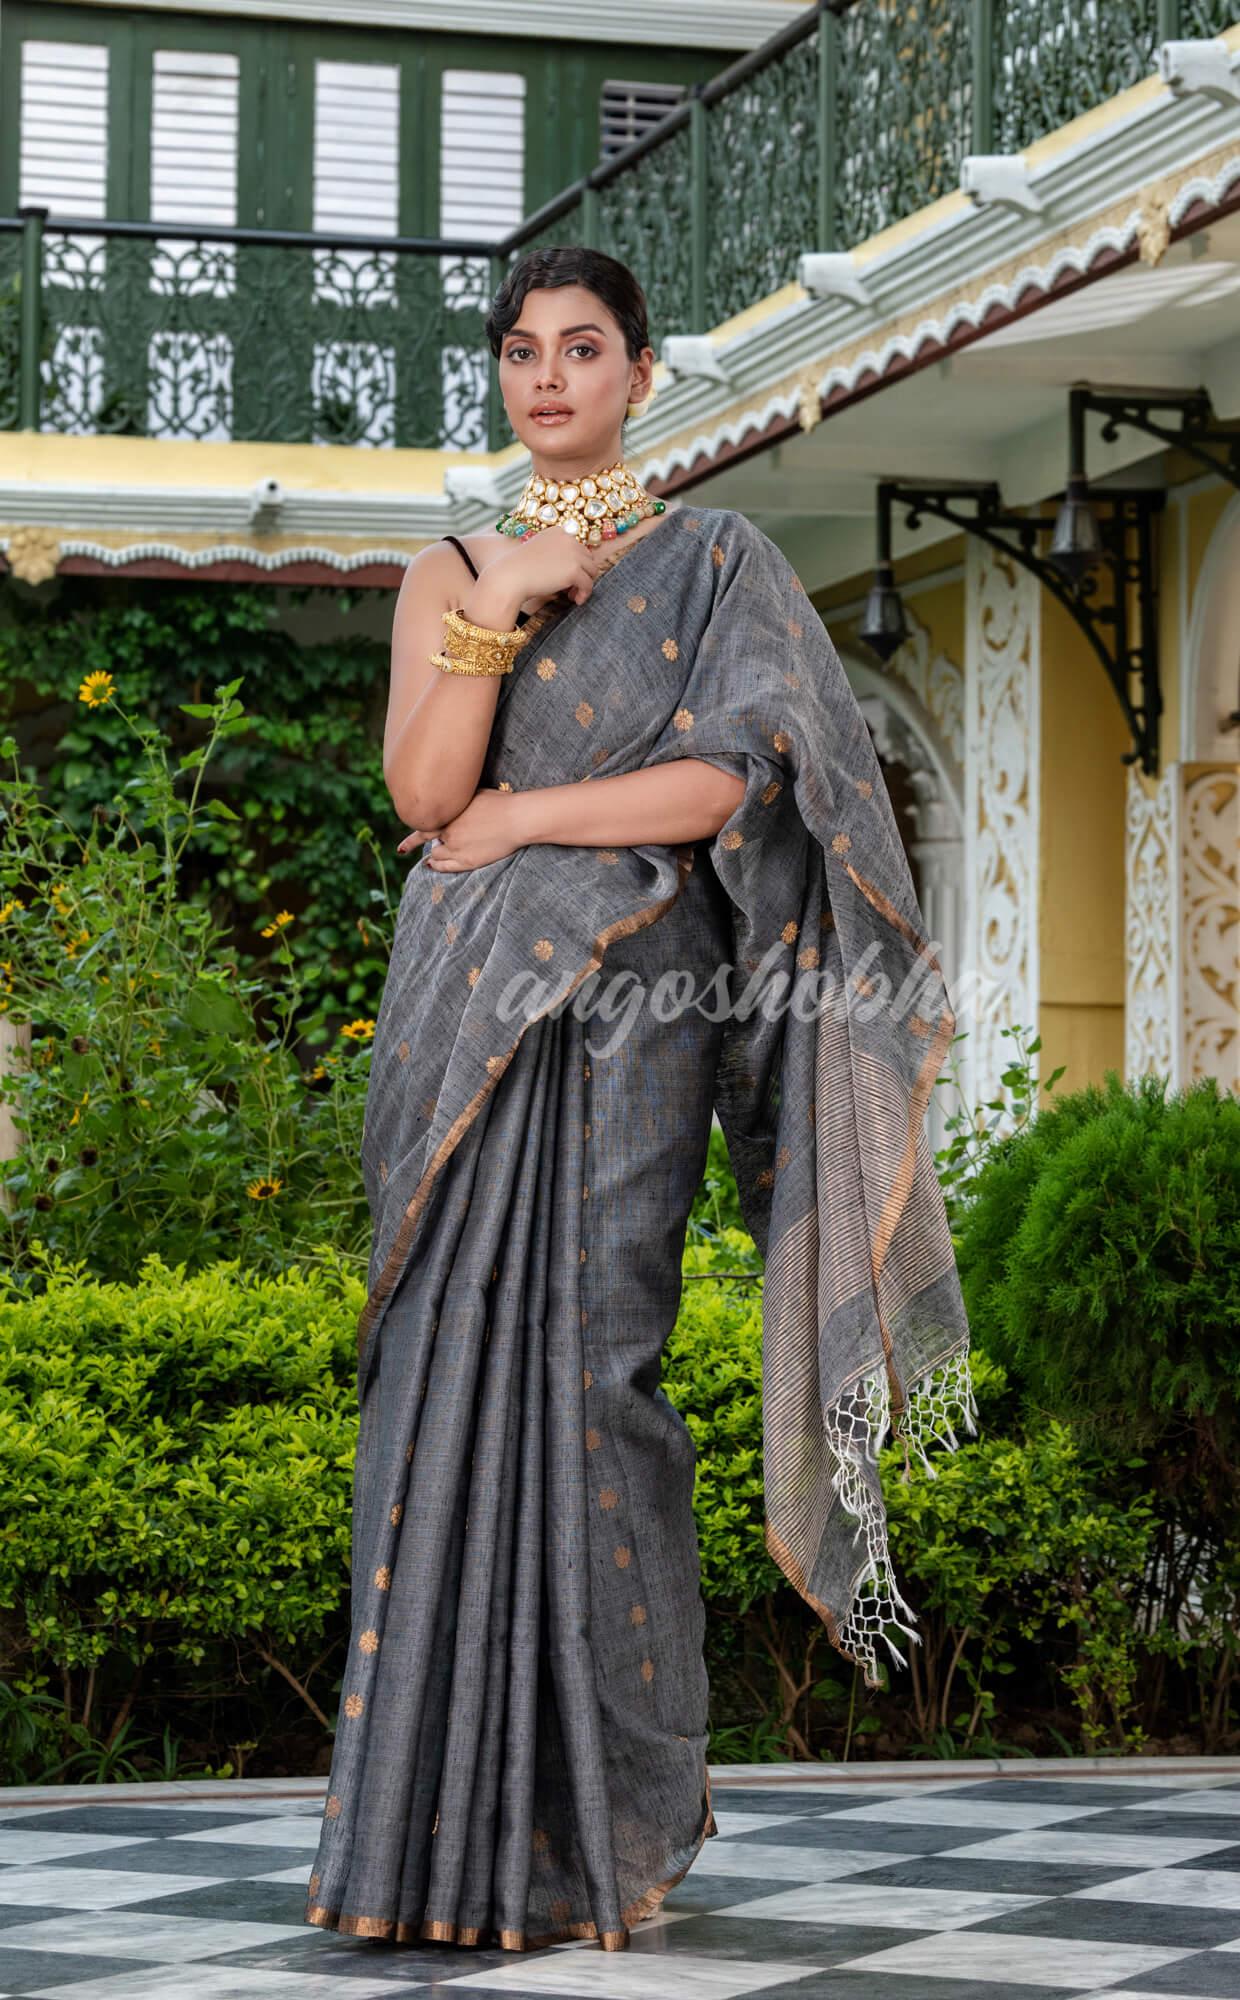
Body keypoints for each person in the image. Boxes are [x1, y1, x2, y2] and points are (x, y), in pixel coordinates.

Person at [305, 244, 973, 1954]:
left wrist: (529, 825)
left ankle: (603, 1838)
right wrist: (503, 596)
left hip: (626, 1024)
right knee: (431, 1405)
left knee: (602, 1387)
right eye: (522, 352)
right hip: (465, 1022)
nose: (547, 379)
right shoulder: (451, 567)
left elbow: (732, 782)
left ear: (641, 373)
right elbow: (421, 784)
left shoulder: (716, 563)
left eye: (582, 349)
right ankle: (417, 1859)